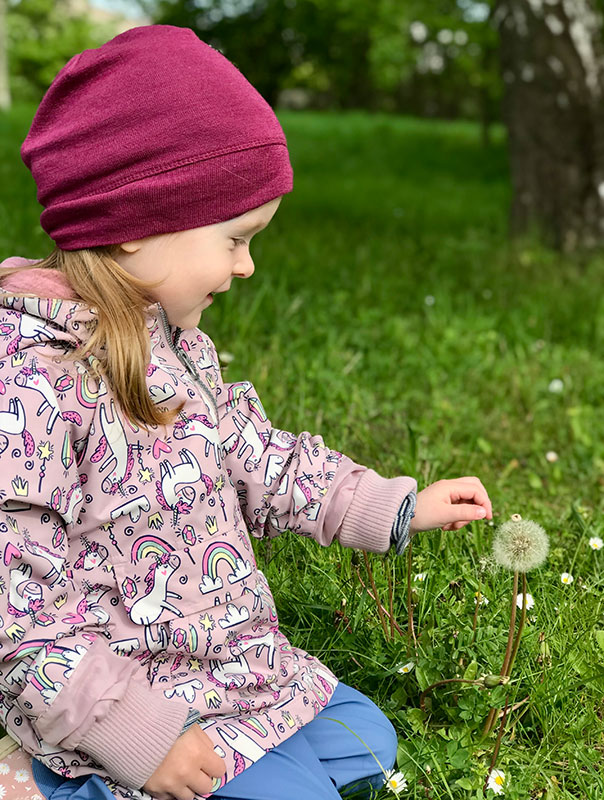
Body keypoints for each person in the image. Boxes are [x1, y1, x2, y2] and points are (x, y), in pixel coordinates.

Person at [0, 24, 492, 800]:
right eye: (234, 238)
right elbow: (19, 614)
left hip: (225, 667)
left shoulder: (177, 345)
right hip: (127, 701)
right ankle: (49, 784)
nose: (246, 265)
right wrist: (134, 736)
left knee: (369, 742)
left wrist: (390, 505)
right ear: (134, 226)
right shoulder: (35, 384)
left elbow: (262, 461)